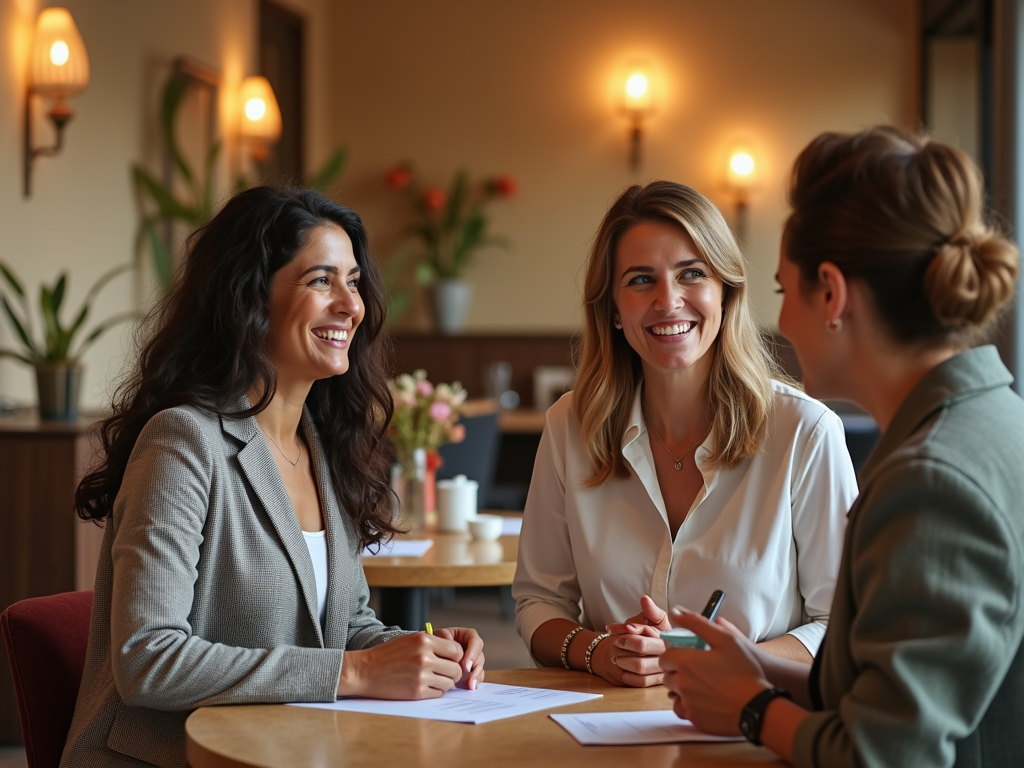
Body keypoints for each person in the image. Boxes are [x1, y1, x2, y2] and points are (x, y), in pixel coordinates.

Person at [61, 187, 485, 768]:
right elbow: (148, 659)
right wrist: (357, 671)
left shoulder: (324, 441)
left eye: (354, 282)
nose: (350, 305)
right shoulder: (184, 441)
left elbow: (345, 622)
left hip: (290, 748)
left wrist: (418, 653)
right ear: (249, 297)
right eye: (320, 281)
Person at [660, 126, 1024, 767]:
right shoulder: (989, 422)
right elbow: (902, 696)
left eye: (781, 290)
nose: (781, 323)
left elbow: (885, 754)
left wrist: (752, 711)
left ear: (830, 293)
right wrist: (766, 676)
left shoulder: (932, 480)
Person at [513, 180, 858, 687]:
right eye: (640, 280)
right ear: (611, 308)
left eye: (691, 274)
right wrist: (600, 651)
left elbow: (841, 626)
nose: (668, 301)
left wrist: (720, 661)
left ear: (725, 291)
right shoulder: (569, 425)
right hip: (600, 730)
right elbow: (538, 601)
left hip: (752, 729)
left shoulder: (805, 431)